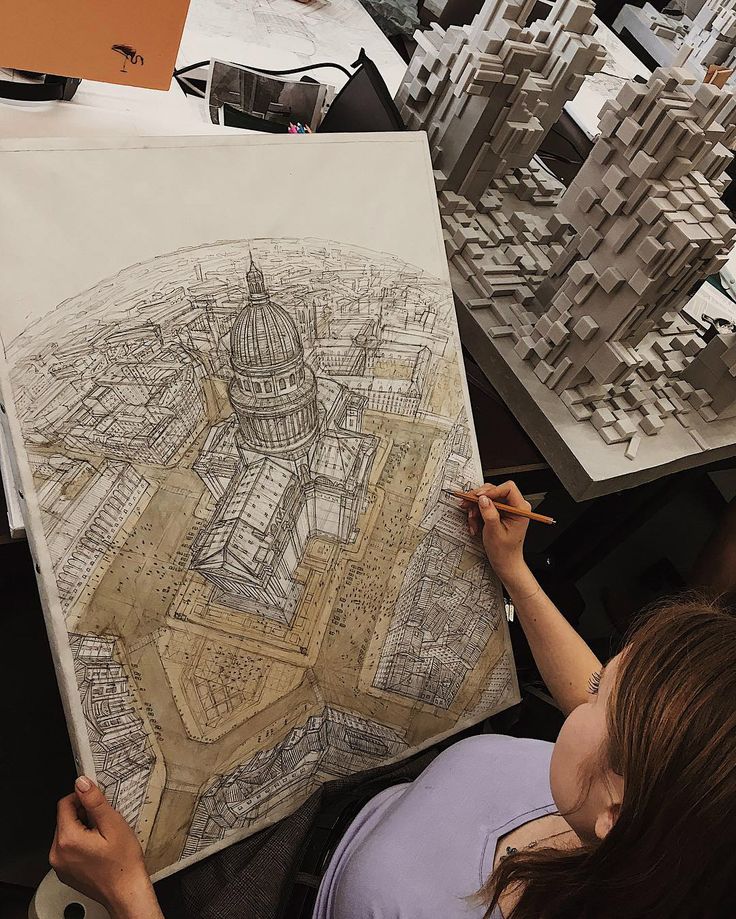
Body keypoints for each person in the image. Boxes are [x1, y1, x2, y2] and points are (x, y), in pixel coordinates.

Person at [50, 481, 736, 919]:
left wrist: (128, 893)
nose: (581, 689)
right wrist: (515, 573)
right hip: (365, 795)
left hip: (279, 882)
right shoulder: (657, 816)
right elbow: (608, 697)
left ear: (617, 813)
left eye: (595, 698)